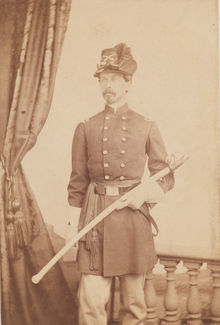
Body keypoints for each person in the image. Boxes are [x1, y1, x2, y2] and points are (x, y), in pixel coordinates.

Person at [67, 43, 174, 325]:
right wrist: (72, 223)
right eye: (103, 79)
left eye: (114, 78)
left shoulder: (146, 125)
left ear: (128, 83)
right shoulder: (86, 127)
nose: (107, 85)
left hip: (132, 216)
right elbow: (77, 181)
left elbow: (165, 174)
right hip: (95, 218)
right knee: (90, 303)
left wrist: (144, 195)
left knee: (135, 304)